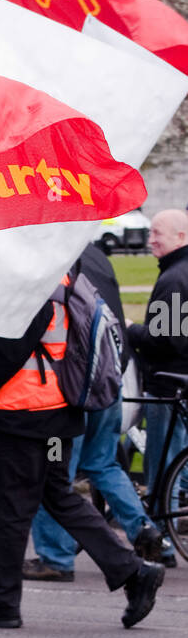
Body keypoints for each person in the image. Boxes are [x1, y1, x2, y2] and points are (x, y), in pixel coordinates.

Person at [0, 272, 164, 630]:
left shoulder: (32, 289)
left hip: (24, 421)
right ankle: (132, 571)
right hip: (56, 423)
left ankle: (0, 602)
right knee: (57, 494)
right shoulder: (63, 282)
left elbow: (8, 353)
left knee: (8, 511)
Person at [24, 245, 163, 580]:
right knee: (104, 464)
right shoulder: (98, 256)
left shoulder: (48, 265)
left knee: (56, 475)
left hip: (70, 398)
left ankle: (55, 557)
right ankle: (143, 528)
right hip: (107, 384)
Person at [126, 208, 188, 513]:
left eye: (156, 234)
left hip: (167, 384)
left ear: (180, 237)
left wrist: (130, 329)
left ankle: (162, 535)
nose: (150, 240)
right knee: (177, 463)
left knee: (162, 468)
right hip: (179, 379)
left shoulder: (174, 278)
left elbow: (164, 338)